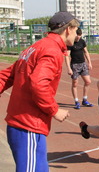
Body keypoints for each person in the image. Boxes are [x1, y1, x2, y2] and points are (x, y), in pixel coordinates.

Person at [0, 11, 79, 171]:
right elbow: (38, 84)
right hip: (28, 125)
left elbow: (7, 76)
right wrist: (54, 110)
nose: (78, 35)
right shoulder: (52, 50)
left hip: (26, 125)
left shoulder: (36, 47)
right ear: (68, 29)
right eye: (77, 30)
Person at [65, 28, 94, 109]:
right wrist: (69, 68)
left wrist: (89, 62)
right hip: (74, 65)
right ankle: (76, 101)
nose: (78, 38)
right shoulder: (70, 43)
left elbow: (86, 52)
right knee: (75, 84)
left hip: (83, 64)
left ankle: (85, 100)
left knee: (88, 82)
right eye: (77, 36)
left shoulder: (82, 41)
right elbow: (67, 56)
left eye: (80, 36)